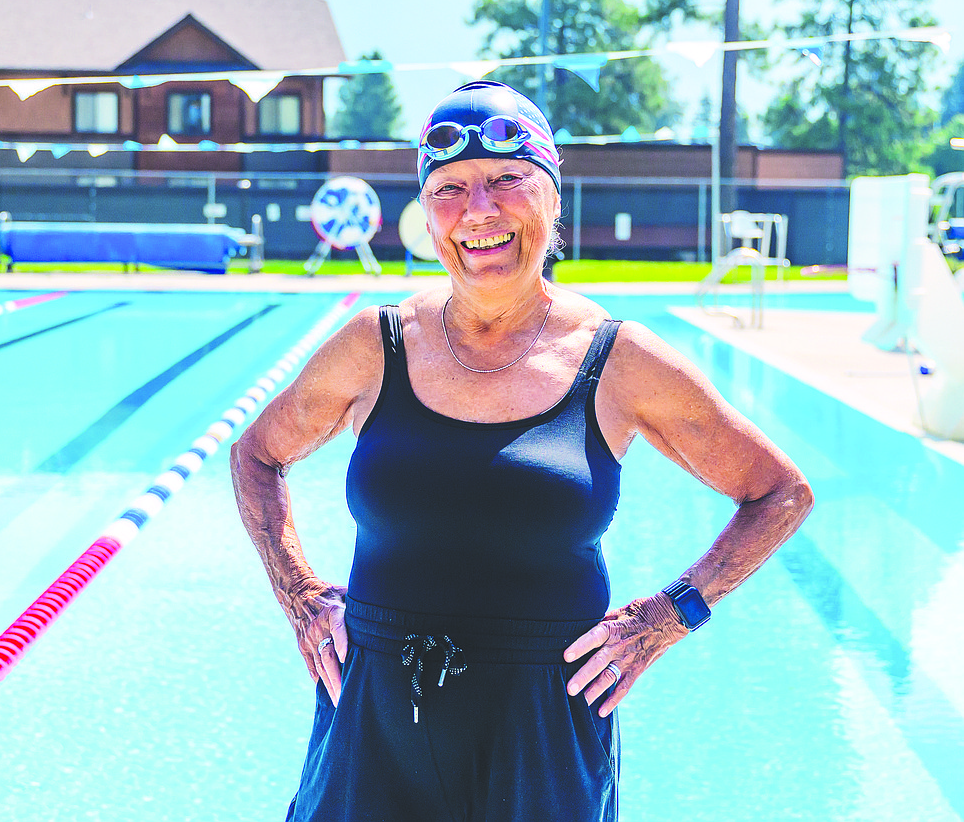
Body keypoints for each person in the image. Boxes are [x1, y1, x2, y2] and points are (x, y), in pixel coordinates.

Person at [230, 81, 814, 822]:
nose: (480, 210)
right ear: (426, 212)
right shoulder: (375, 346)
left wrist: (668, 617)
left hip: (541, 723)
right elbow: (256, 454)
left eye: (508, 180)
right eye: (450, 189)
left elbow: (780, 493)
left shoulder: (618, 360)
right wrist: (300, 595)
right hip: (375, 715)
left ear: (552, 195)